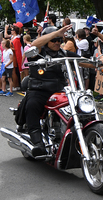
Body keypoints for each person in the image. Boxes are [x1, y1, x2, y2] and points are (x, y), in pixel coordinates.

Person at [21, 24, 77, 156]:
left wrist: (99, 61)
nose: (57, 42)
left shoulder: (63, 53)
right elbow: (34, 43)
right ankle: (38, 143)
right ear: (47, 40)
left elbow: (80, 61)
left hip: (59, 90)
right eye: (54, 40)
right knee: (32, 105)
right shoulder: (38, 52)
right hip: (39, 89)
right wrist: (56, 32)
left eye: (59, 40)